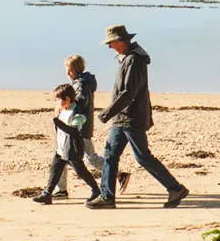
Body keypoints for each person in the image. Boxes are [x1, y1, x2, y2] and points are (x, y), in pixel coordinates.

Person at [88, 24, 190, 209]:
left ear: (120, 41)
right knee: (110, 155)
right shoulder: (127, 58)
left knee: (142, 157)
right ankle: (107, 196)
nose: (110, 47)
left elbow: (128, 92)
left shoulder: (134, 60)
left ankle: (175, 188)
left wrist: (107, 112)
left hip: (131, 117)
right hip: (122, 117)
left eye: (110, 43)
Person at [54, 54, 120, 198]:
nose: (67, 74)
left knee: (84, 158)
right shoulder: (83, 82)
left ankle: (116, 175)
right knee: (65, 156)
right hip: (81, 127)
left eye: (69, 70)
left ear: (75, 70)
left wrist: (64, 106)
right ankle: (61, 189)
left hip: (78, 128)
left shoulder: (80, 85)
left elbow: (80, 105)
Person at [33, 84, 100, 204]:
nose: (57, 102)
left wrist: (57, 122)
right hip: (60, 149)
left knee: (81, 172)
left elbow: (73, 130)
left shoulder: (78, 114)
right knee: (54, 171)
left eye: (59, 99)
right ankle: (47, 194)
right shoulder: (63, 111)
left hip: (72, 150)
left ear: (68, 99)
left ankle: (96, 190)